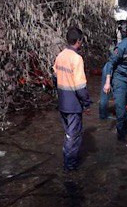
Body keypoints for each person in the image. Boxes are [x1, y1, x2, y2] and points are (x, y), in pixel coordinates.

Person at [53, 27, 92, 171]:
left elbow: (55, 77)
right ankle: (69, 168)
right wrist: (87, 104)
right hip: (74, 105)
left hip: (62, 103)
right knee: (73, 136)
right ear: (79, 41)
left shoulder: (60, 56)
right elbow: (80, 87)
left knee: (68, 134)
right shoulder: (77, 59)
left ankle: (68, 162)